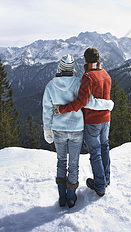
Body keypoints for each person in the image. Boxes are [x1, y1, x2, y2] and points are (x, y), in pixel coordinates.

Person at [42, 54, 113, 208]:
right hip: (76, 128)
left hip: (58, 128)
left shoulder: (50, 86)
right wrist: (107, 104)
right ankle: (71, 197)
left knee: (61, 161)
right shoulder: (78, 82)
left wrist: (47, 129)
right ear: (72, 68)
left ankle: (62, 197)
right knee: (73, 163)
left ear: (60, 67)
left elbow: (47, 110)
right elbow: (87, 101)